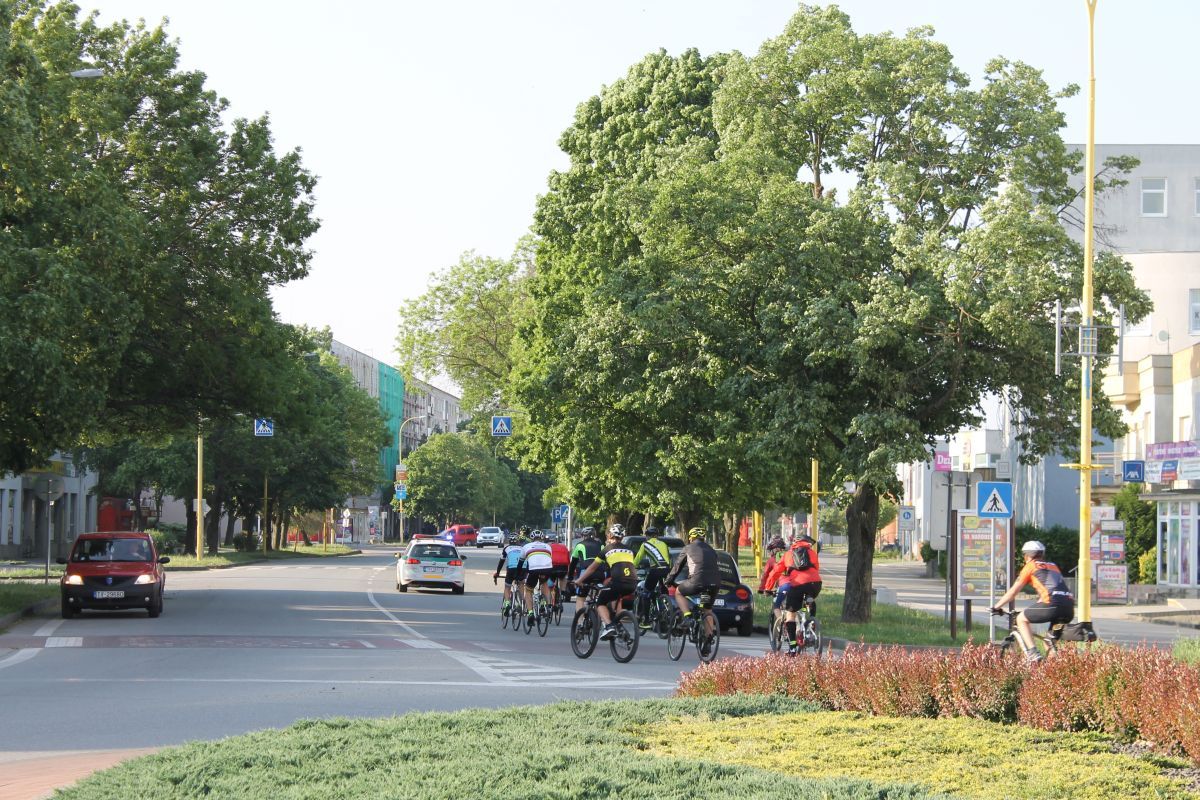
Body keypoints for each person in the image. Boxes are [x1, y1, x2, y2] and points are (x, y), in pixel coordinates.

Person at [990, 540, 1075, 663]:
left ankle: (1033, 653)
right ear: (1042, 554)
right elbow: (1052, 588)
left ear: (1026, 556)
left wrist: (996, 607)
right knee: (1048, 642)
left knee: (1021, 619)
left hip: (1052, 605)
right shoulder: (1053, 565)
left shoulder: (1030, 566)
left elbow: (1013, 592)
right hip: (1068, 607)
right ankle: (1054, 669)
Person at [574, 524, 638, 640]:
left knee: (600, 602)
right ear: (622, 537)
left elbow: (592, 568)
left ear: (609, 536)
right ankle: (619, 627)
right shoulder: (630, 550)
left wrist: (579, 580)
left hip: (618, 582)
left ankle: (609, 626)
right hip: (633, 583)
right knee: (615, 600)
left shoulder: (607, 549)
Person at [766, 533, 821, 654]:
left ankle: (792, 648)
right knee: (810, 599)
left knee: (790, 614)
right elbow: (817, 568)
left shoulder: (788, 554)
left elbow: (776, 572)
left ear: (794, 543)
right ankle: (811, 623)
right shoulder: (812, 553)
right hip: (815, 583)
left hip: (798, 584)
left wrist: (768, 587)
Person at [665, 527, 721, 634]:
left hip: (697, 581)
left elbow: (677, 567)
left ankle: (687, 617)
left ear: (691, 538)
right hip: (714, 583)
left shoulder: (688, 548)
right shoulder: (711, 549)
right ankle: (708, 639)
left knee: (678, 592)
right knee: (707, 610)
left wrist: (669, 580)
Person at [633, 527, 671, 629]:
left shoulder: (645, 544)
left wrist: (632, 567)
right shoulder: (664, 544)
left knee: (646, 593)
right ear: (657, 536)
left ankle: (646, 621)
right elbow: (668, 558)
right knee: (662, 590)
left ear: (647, 536)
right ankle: (665, 609)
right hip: (667, 570)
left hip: (655, 570)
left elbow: (638, 559)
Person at [519, 528, 555, 623]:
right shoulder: (548, 546)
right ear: (542, 538)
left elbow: (520, 563)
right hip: (547, 569)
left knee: (528, 590)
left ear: (531, 538)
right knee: (544, 584)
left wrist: (519, 575)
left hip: (534, 569)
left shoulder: (526, 546)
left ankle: (530, 613)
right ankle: (547, 605)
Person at [493, 527, 529, 612]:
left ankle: (507, 603)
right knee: (521, 584)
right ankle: (521, 603)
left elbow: (501, 562)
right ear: (518, 541)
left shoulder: (507, 548)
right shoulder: (523, 548)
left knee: (507, 586)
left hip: (511, 569)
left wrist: (497, 572)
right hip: (523, 568)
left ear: (509, 541)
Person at [569, 527, 604, 612]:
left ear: (583, 536)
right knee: (599, 597)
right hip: (600, 573)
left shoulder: (579, 545)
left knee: (580, 598)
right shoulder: (601, 545)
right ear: (594, 535)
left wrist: (570, 577)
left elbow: (573, 563)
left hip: (586, 573)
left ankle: (580, 619)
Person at [547, 534, 571, 608]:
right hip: (563, 567)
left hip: (552, 567)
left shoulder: (547, 547)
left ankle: (549, 603)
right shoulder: (564, 547)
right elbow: (568, 559)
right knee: (563, 577)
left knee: (548, 586)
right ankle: (562, 591)